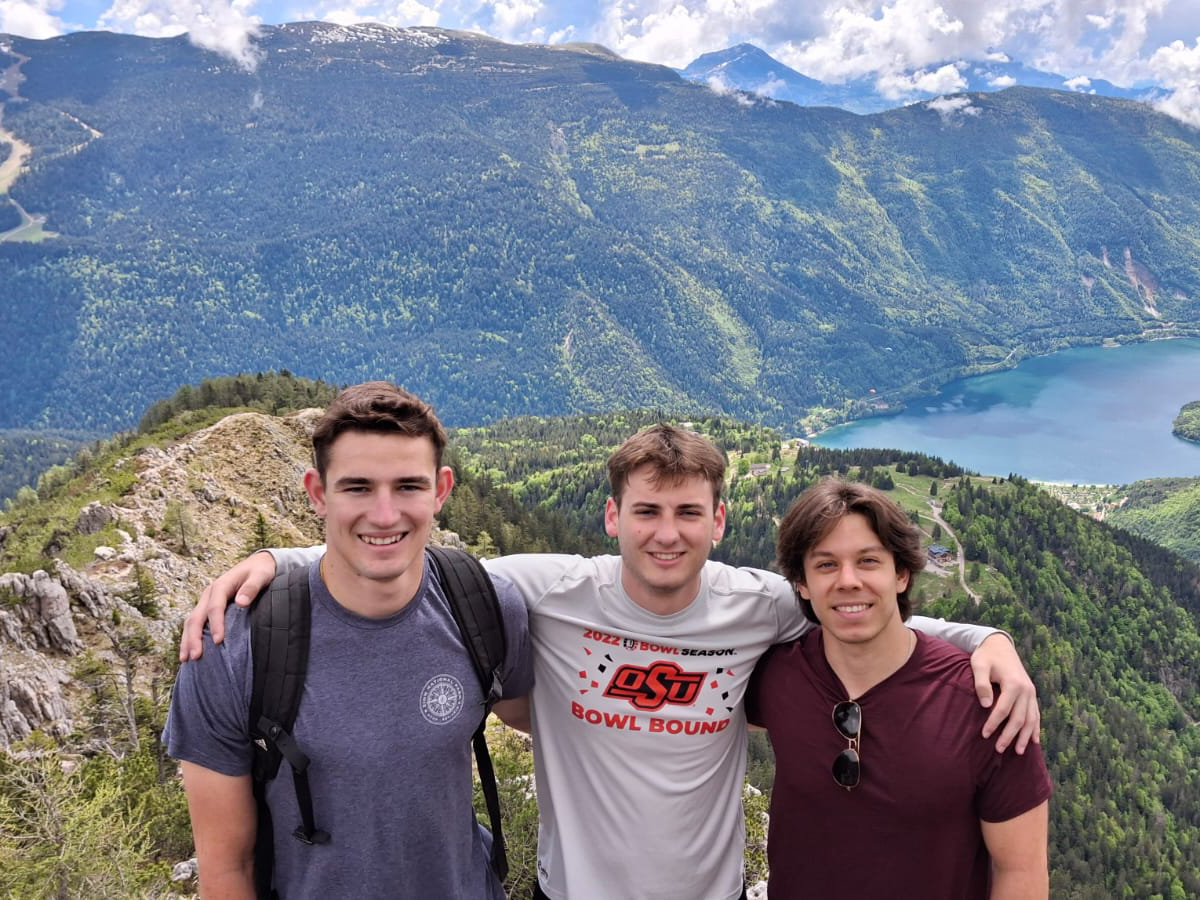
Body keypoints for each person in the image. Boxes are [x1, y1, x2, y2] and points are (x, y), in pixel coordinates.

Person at [181, 423, 1041, 900]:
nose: (667, 533)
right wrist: (284, 562)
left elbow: (861, 609)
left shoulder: (760, 604)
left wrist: (986, 641)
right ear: (610, 517)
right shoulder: (541, 590)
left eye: (688, 512)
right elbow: (394, 558)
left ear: (717, 519)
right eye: (647, 510)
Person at [164, 383, 534, 899]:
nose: (384, 515)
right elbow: (228, 869)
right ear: (318, 492)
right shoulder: (232, 649)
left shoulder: (486, 606)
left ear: (441, 490)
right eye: (357, 488)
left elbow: (550, 723)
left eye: (408, 486)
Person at [747, 480, 1051, 898]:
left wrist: (993, 639)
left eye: (868, 561)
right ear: (800, 584)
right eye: (825, 565)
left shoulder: (986, 704)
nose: (848, 581)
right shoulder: (777, 676)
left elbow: (1021, 871)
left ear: (902, 574)